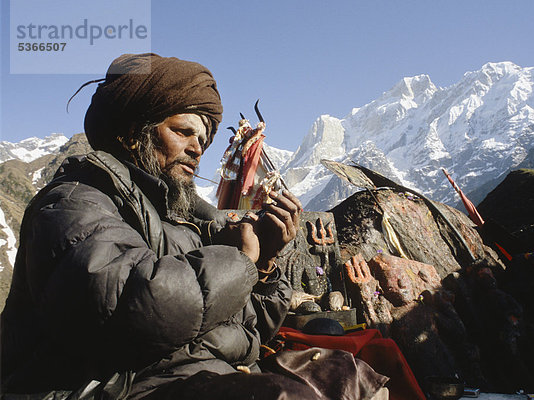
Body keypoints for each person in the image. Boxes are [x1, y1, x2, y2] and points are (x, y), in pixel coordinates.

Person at [1, 53, 387, 399]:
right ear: (131, 134)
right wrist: (241, 258)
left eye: (203, 139)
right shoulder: (74, 203)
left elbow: (245, 335)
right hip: (111, 387)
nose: (197, 148)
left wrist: (264, 264)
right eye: (183, 132)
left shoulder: (182, 220)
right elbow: (128, 307)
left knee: (352, 376)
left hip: (194, 377)